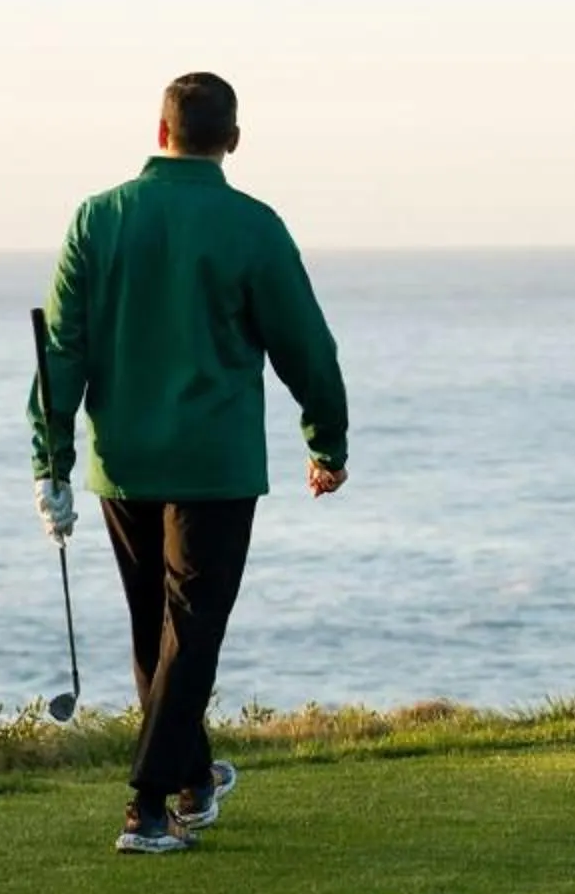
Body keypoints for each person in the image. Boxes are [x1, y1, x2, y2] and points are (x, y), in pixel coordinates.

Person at [29, 72, 350, 852]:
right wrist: (326, 441)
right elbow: (305, 344)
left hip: (124, 464)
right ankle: (145, 805)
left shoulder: (97, 219)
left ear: (161, 130)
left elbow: (61, 353)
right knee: (192, 631)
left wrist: (53, 462)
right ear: (231, 140)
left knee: (159, 630)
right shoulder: (253, 225)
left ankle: (195, 784)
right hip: (214, 464)